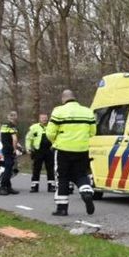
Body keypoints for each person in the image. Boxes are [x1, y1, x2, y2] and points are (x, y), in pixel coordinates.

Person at [46, 89, 98, 217]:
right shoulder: (87, 111)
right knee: (81, 175)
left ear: (63, 99)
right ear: (74, 98)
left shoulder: (58, 111)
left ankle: (62, 208)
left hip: (63, 149)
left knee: (62, 177)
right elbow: (93, 132)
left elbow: (50, 133)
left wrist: (55, 141)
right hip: (82, 149)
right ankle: (86, 193)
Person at [25, 113, 55, 193]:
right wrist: (28, 148)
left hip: (49, 150)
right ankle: (34, 186)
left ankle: (51, 186)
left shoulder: (52, 127)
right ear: (39, 119)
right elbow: (28, 138)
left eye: (45, 118)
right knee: (36, 168)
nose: (44, 119)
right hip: (38, 150)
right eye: (42, 118)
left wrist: (55, 145)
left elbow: (56, 137)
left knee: (50, 168)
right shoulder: (34, 127)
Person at [0, 111, 24, 195]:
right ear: (15, 117)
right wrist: (15, 149)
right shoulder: (12, 126)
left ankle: (8, 187)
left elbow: (0, 137)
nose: (13, 117)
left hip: (5, 148)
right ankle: (3, 187)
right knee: (8, 169)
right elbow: (14, 139)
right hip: (10, 150)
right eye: (13, 116)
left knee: (9, 168)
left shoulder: (3, 126)